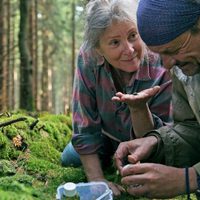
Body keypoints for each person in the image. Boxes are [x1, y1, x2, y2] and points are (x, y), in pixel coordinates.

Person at [61, 0, 172, 196]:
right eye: (115, 42)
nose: (129, 50)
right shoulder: (88, 57)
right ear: (98, 49)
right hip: (106, 137)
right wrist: (97, 180)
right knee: (71, 157)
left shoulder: (161, 60)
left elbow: (162, 137)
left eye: (133, 36)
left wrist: (139, 108)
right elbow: (85, 124)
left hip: (150, 144)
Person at [114, 0, 200, 199]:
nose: (168, 65)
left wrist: (190, 179)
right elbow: (193, 128)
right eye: (161, 55)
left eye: (172, 50)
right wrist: (157, 142)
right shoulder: (186, 68)